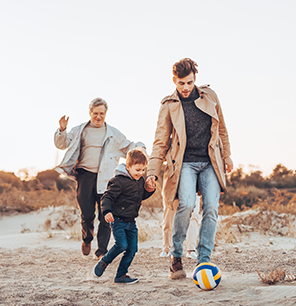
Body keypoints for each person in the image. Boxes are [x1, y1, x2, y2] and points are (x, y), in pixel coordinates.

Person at [146, 58, 233, 279]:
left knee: (211, 208)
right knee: (185, 204)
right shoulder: (168, 105)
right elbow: (160, 141)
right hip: (184, 163)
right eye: (181, 83)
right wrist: (152, 172)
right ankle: (176, 257)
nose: (185, 88)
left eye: (189, 82)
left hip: (210, 162)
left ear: (195, 79)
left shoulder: (210, 97)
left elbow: (221, 128)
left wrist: (227, 155)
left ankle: (204, 261)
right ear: (174, 80)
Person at [54, 97, 145, 259]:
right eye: (95, 113)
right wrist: (62, 129)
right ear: (90, 113)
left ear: (105, 114)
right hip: (85, 176)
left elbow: (128, 146)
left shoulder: (113, 134)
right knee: (87, 214)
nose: (98, 116)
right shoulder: (79, 130)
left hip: (107, 178)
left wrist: (140, 146)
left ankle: (101, 251)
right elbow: (62, 144)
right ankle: (87, 238)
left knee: (106, 215)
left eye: (101, 113)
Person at [93, 149, 154, 284]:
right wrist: (107, 211)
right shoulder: (118, 181)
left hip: (131, 221)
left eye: (143, 170)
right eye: (137, 170)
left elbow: (140, 196)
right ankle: (104, 261)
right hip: (118, 220)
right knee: (121, 245)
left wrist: (149, 190)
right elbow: (106, 197)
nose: (140, 173)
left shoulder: (139, 180)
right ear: (128, 167)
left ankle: (121, 276)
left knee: (132, 249)